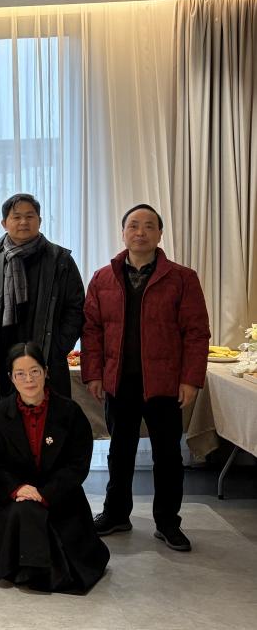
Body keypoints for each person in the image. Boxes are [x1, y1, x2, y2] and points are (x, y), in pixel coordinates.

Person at [82, 204, 210, 552]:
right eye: (134, 226)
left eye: (149, 226)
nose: (141, 232)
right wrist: (93, 374)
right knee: (119, 452)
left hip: (165, 383)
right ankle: (116, 514)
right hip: (119, 382)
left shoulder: (182, 278)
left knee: (168, 456)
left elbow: (197, 333)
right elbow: (91, 331)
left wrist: (191, 379)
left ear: (159, 234)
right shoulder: (103, 278)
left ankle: (168, 522)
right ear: (123, 232)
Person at [0, 342, 109, 593]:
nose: (29, 379)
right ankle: (36, 571)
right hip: (18, 498)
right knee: (25, 511)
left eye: (35, 371)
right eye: (20, 374)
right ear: (11, 377)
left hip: (62, 498)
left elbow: (78, 464)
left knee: (60, 536)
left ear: (46, 372)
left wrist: (46, 493)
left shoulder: (70, 412)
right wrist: (17, 488)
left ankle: (36, 572)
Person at [0, 193, 85, 408]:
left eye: (29, 216)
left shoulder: (60, 260)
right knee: (3, 418)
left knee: (47, 417)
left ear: (40, 220)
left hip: (45, 355)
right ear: (4, 223)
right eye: (16, 217)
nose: (23, 222)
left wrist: (59, 345)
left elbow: (75, 308)